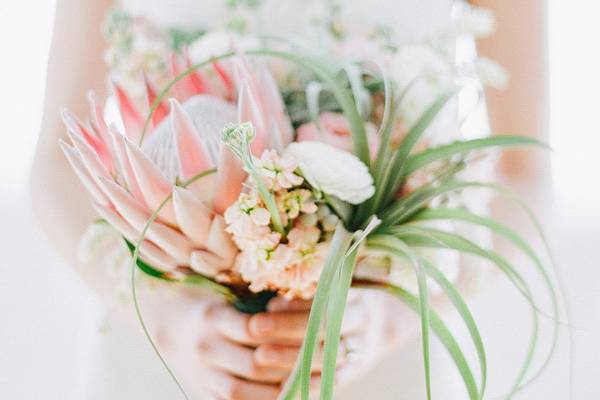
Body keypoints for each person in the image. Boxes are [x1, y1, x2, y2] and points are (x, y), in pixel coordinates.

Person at [31, 0, 550, 399]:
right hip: (166, 345)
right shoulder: (165, 324)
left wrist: (389, 319)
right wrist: (167, 319)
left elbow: (524, 173)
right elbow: (57, 165)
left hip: (377, 356)